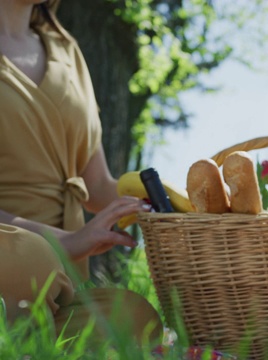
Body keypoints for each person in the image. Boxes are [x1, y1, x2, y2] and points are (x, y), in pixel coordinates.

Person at [0, 0, 162, 344]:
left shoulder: (66, 49)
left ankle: (29, 334)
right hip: (17, 257)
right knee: (31, 259)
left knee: (136, 317)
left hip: (58, 278)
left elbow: (98, 186)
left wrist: (170, 201)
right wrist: (67, 244)